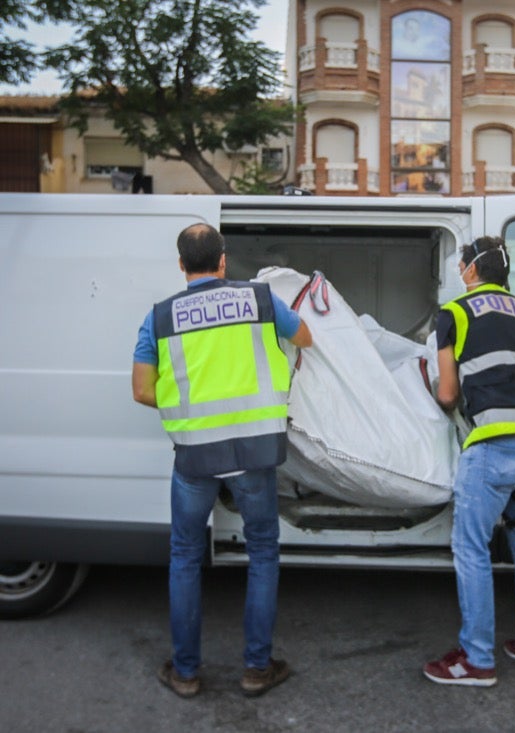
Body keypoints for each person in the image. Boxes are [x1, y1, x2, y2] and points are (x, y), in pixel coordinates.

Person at [131, 223, 312, 699]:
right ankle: (256, 668)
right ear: (223, 260)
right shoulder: (261, 300)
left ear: (181, 265)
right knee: (263, 553)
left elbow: (142, 391)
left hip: (195, 455)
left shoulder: (159, 317)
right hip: (255, 451)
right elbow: (307, 338)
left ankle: (186, 673)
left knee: (186, 557)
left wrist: (190, 410)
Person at [423, 236, 515, 687]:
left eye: (462, 263)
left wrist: (427, 391)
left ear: (470, 270)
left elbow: (448, 395)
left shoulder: (456, 313)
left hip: (495, 441)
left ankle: (477, 659)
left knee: (471, 548)